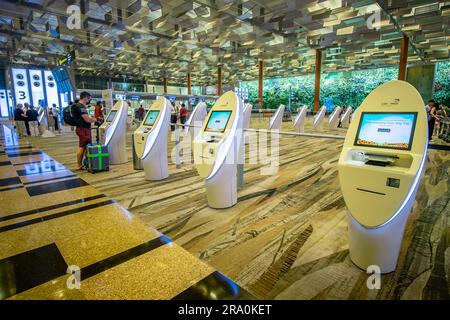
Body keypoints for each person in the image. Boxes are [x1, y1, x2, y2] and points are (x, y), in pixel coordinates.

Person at [73, 92, 97, 170]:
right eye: (89, 98)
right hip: (83, 129)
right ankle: (79, 165)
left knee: (86, 146)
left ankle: (87, 163)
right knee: (82, 147)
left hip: (81, 128)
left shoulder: (77, 105)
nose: (89, 100)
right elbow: (87, 119)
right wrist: (95, 120)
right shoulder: (81, 106)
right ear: (86, 97)